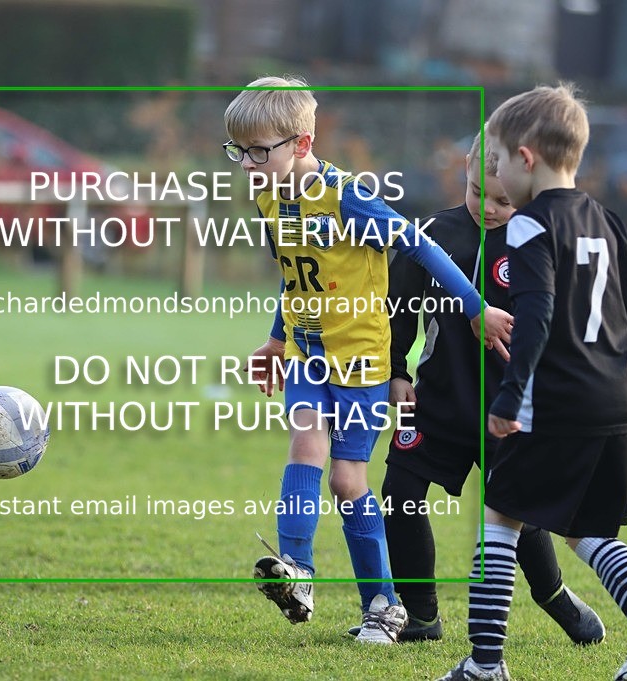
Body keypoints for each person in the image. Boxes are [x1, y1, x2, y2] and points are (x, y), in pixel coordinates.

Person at [224, 76, 513, 645]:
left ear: (301, 145)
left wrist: (477, 307)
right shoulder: (269, 196)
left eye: (259, 150)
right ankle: (299, 574)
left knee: (346, 479)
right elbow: (297, 280)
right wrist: (278, 339)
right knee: (305, 447)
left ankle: (383, 605)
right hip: (309, 356)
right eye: (240, 151)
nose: (249, 162)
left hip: (359, 365)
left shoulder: (347, 198)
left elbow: (422, 246)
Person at [437, 85, 627, 681]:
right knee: (586, 530)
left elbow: (539, 313)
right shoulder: (606, 218)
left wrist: (510, 392)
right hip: (614, 403)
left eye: (495, 160)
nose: (492, 173)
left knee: (498, 520)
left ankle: (485, 665)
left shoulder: (527, 228)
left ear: (526, 159)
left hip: (554, 401)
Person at [373, 132, 605, 644]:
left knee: (517, 515)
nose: (489, 208)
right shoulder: (430, 234)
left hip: (511, 408)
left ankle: (556, 599)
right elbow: (395, 311)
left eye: (504, 199)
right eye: (479, 192)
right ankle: (423, 615)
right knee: (400, 493)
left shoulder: (541, 244)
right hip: (435, 402)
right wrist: (396, 372)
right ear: (466, 173)